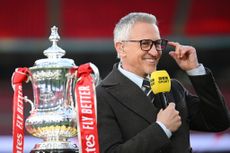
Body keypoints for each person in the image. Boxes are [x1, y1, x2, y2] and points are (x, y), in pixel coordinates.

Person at [96, 12, 229, 153]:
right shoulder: (101, 96)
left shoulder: (173, 88)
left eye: (158, 43)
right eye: (145, 43)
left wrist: (195, 70)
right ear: (121, 48)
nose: (155, 52)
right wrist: (162, 129)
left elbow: (218, 122)